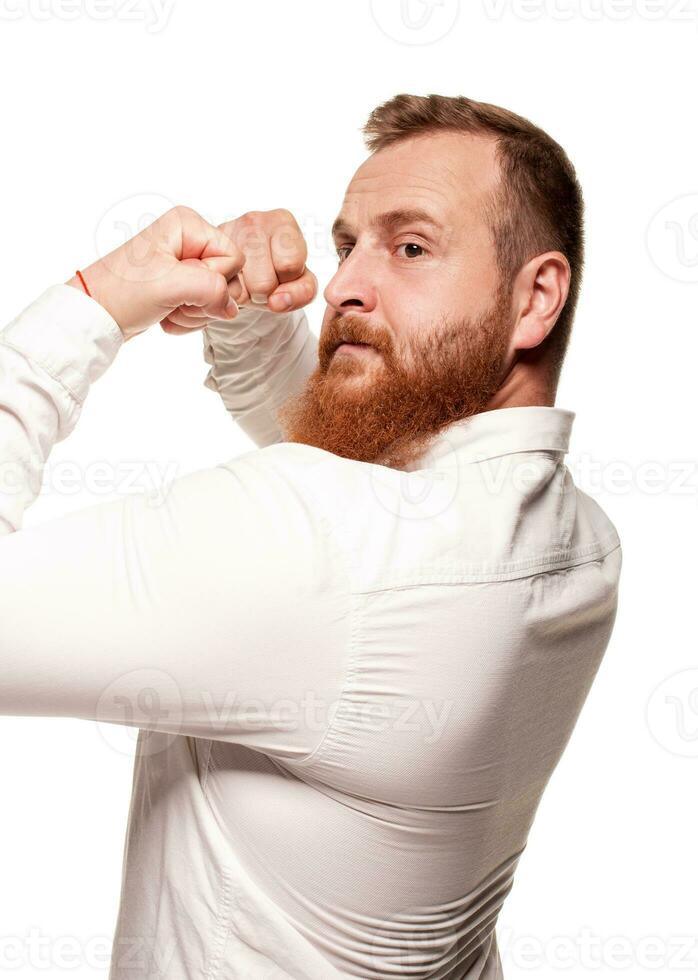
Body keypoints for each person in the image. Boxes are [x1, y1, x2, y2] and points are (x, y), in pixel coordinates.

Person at [0, 93, 622, 979]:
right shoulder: (583, 545)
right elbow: (378, 476)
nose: (345, 287)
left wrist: (98, 303)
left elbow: (332, 540)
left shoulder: (323, 543)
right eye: (347, 246)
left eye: (410, 247)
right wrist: (249, 318)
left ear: (536, 301)